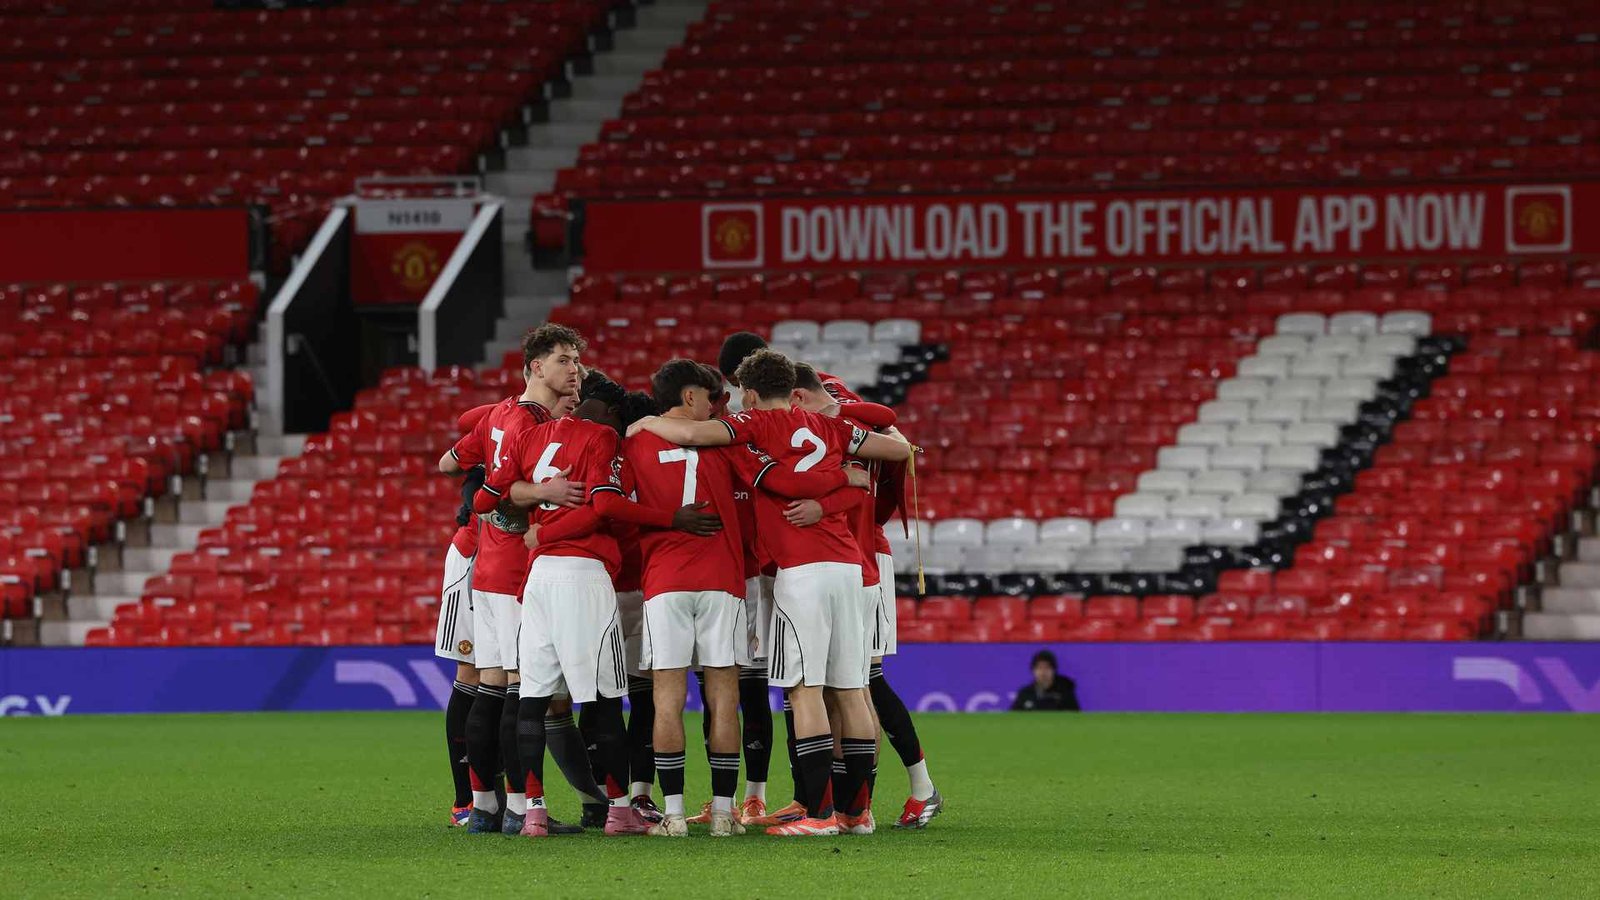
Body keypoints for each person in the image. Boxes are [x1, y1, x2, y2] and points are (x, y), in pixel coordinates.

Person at [629, 349, 912, 836]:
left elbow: (698, 436)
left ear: (753, 393)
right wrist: (839, 480)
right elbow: (897, 451)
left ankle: (819, 816)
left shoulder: (753, 426)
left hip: (801, 573)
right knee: (850, 690)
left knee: (806, 693)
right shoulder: (834, 427)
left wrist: (643, 424)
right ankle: (857, 814)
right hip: (850, 568)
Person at [437, 324, 586, 835]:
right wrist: (542, 489)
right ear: (535, 367)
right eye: (564, 359)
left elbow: (448, 463)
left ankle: (482, 807)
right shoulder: (532, 426)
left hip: (491, 569)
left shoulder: (500, 414)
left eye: (576, 360)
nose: (574, 369)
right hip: (519, 572)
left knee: (491, 686)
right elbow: (507, 491)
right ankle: (521, 811)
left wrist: (484, 497)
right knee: (521, 692)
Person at [787, 363, 944, 829]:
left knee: (863, 681)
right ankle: (833, 803)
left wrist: (865, 521)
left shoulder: (842, 418)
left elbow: (894, 443)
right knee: (833, 687)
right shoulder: (851, 419)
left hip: (862, 559)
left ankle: (913, 790)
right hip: (839, 556)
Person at [1011, 650, 1080, 711]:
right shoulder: (1025, 694)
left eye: (1047, 667)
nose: (1043, 672)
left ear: (1054, 670)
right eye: (1039, 668)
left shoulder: (1065, 693)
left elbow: (1075, 719)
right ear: (1033, 671)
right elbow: (1013, 719)